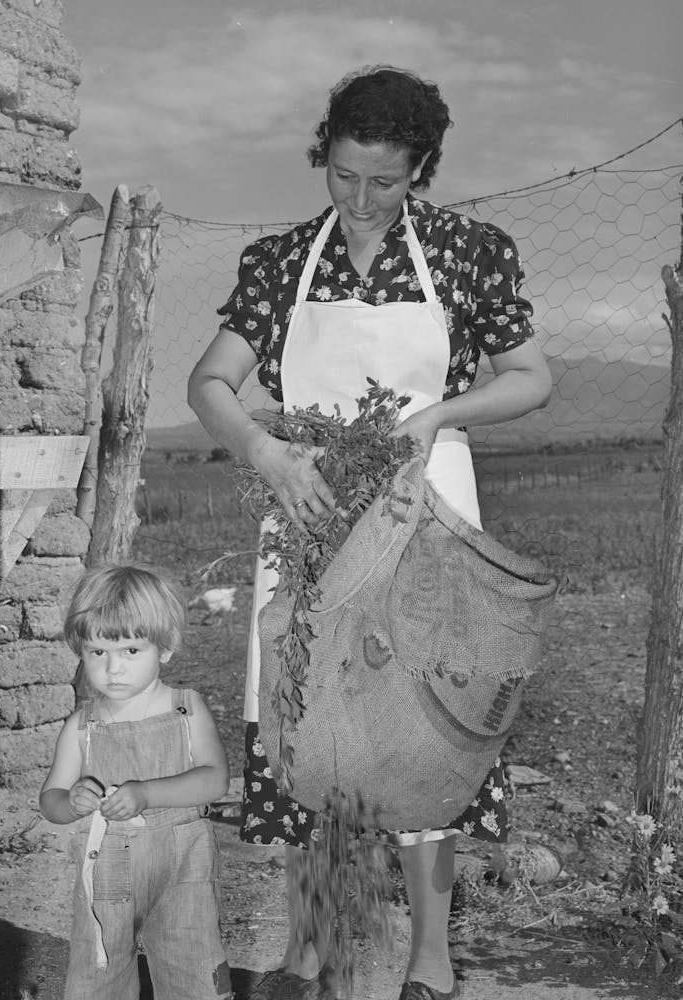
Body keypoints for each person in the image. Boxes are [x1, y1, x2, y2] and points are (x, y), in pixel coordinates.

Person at [188, 65, 553, 1000]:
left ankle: (429, 958)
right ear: (326, 157)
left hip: (424, 512)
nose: (359, 199)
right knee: (316, 731)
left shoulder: (470, 253)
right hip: (310, 506)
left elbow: (529, 377)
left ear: (420, 169)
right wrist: (267, 457)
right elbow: (209, 385)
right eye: (343, 175)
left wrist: (435, 416)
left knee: (426, 724)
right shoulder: (280, 262)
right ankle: (316, 951)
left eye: (383, 181)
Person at [40, 565, 233, 1000]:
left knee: (195, 972)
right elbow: (49, 800)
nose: (113, 669)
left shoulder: (187, 710)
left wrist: (147, 793)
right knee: (99, 973)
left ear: (164, 648)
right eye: (97, 653)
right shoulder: (81, 727)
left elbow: (214, 779)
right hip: (107, 872)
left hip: (183, 870)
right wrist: (71, 802)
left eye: (130, 650)